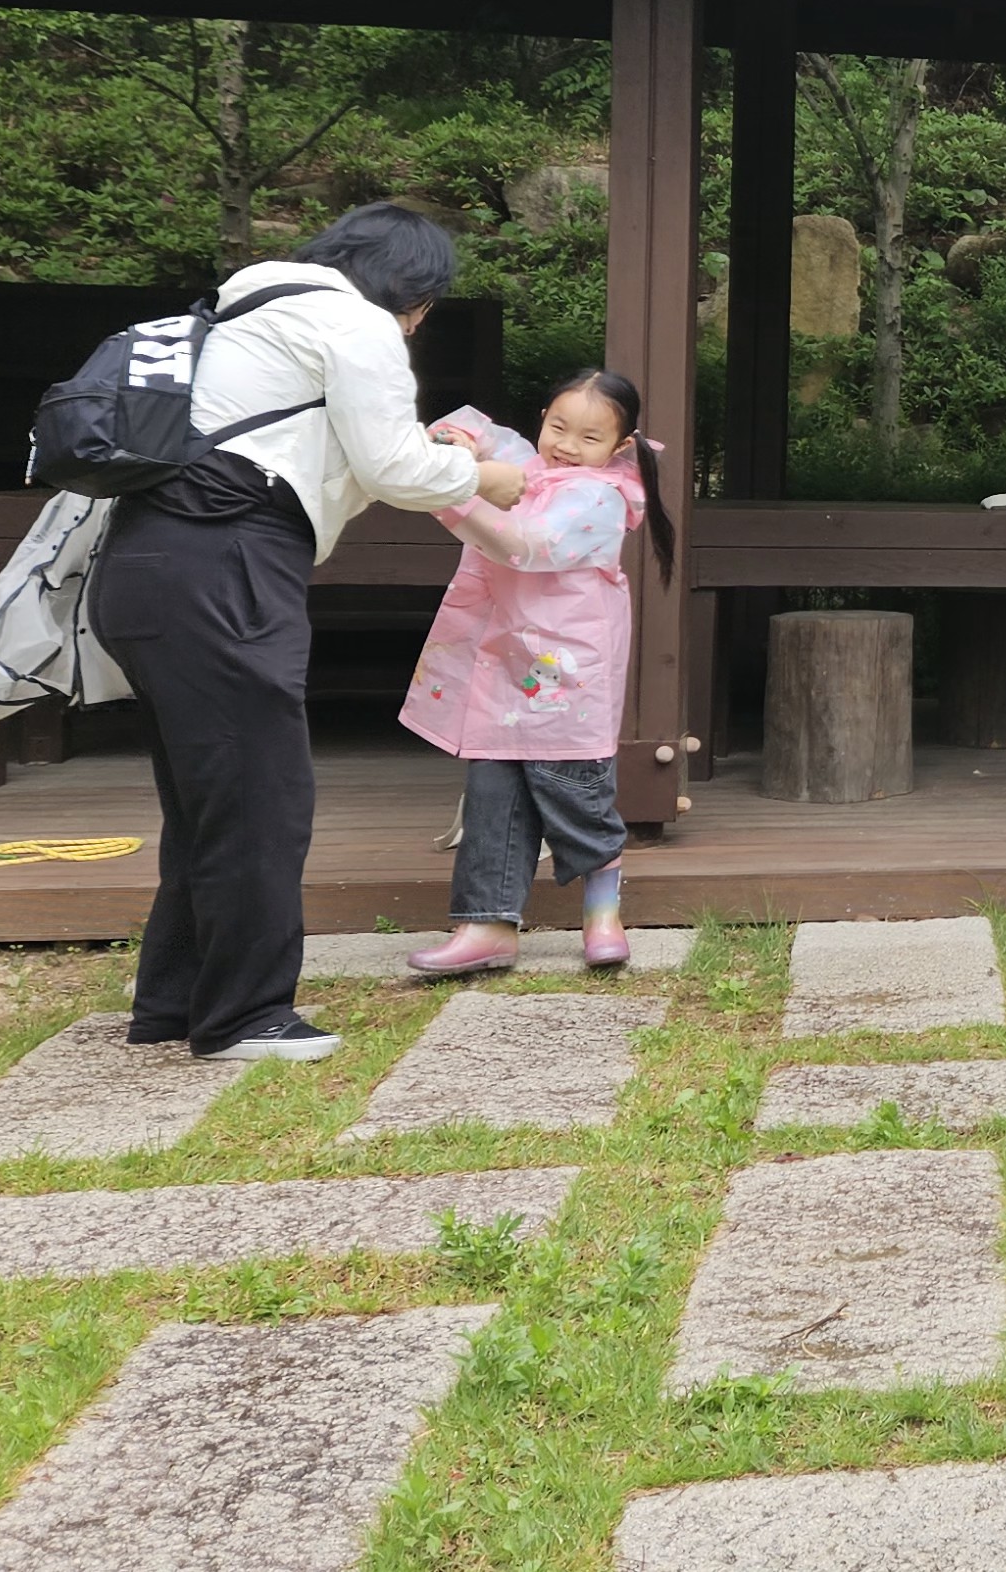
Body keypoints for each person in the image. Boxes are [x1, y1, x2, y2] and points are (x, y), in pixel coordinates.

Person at [103, 205, 526, 1062]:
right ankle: (244, 1017)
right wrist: (487, 475)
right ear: (415, 295)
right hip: (226, 566)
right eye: (425, 308)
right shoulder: (354, 323)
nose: (417, 325)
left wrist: (417, 455)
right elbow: (394, 468)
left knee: (208, 800)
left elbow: (317, 462)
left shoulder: (244, 308)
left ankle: (175, 1001)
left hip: (147, 560)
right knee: (262, 798)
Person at [395, 370, 673, 977]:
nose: (567, 446)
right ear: (543, 416)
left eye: (589, 436)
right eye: (558, 427)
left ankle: (603, 913)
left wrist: (455, 489)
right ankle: (486, 925)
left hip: (563, 672)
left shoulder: (600, 498)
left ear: (620, 447)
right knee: (492, 793)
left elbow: (526, 542)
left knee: (573, 791)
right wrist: (460, 446)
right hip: (503, 663)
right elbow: (475, 428)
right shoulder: (532, 465)